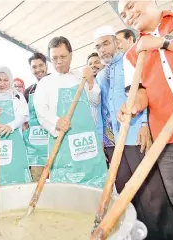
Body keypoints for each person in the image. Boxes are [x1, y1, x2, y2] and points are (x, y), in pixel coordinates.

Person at [118, 0, 173, 238]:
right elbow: (141, 91)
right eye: (123, 14)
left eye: (129, 5)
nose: (127, 15)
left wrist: (162, 42)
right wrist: (134, 104)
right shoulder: (131, 55)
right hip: (170, 144)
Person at [94, 25, 173, 240]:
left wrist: (143, 124)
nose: (102, 49)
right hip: (114, 144)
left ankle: (167, 236)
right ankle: (140, 234)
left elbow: (143, 91)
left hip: (134, 135)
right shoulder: (101, 76)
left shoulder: (130, 61)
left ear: (116, 42)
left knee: (151, 192)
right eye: (98, 46)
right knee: (126, 193)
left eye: (106, 43)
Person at [33, 36, 107, 187]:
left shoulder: (81, 76)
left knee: (94, 185)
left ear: (71, 55)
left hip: (87, 143)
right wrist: (56, 122)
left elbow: (95, 100)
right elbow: (41, 111)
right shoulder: (45, 83)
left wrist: (91, 81)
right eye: (54, 58)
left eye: (62, 56)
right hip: (62, 142)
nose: (59, 61)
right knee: (67, 189)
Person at [23, 53, 49, 182]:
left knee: (58, 182)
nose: (38, 69)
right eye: (34, 67)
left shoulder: (56, 84)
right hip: (36, 148)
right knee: (36, 182)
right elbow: (25, 120)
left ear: (46, 65)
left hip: (55, 143)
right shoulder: (28, 91)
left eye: (40, 65)